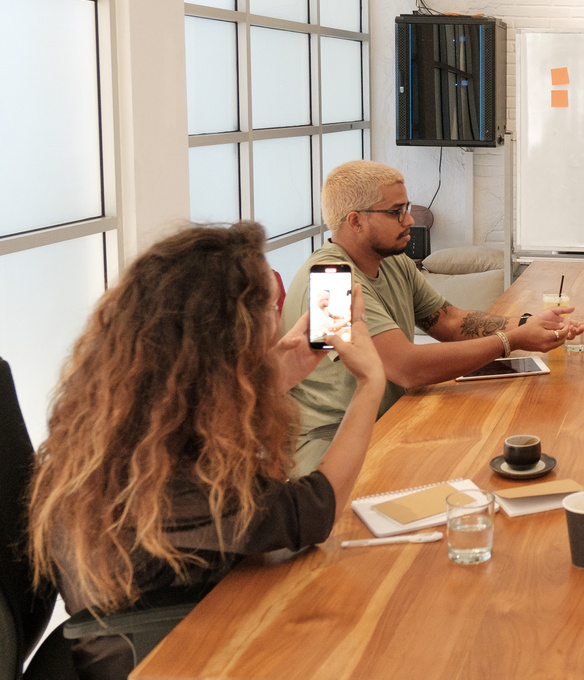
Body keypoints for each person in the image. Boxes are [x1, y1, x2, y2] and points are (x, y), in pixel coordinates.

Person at [28, 222, 386, 680]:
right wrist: (369, 383)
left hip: (190, 601)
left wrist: (272, 378)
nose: (278, 314)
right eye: (268, 306)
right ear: (224, 340)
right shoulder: (167, 481)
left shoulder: (135, 415)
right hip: (159, 654)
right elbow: (312, 511)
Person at [284, 160, 582, 474]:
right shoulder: (327, 282)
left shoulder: (392, 261)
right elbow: (407, 368)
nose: (410, 220)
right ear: (355, 221)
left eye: (407, 207)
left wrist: (528, 324)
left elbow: (448, 321)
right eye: (396, 212)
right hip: (331, 446)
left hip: (391, 420)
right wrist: (510, 340)